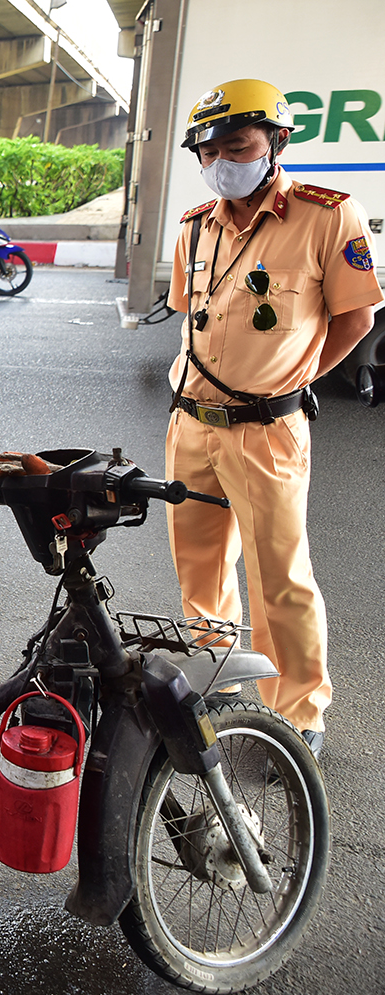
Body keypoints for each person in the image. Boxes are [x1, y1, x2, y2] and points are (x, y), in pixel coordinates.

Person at [165, 78, 382, 758]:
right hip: (190, 422)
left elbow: (356, 316)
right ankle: (221, 671)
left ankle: (298, 710)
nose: (221, 161)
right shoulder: (195, 226)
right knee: (200, 566)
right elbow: (188, 319)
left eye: (236, 145)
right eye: (208, 151)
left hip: (268, 429)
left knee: (280, 576)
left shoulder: (326, 217)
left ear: (276, 142)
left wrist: (298, 376)